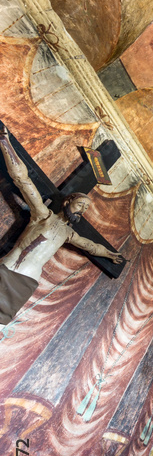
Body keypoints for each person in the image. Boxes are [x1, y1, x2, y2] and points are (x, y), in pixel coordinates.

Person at [0, 124, 123, 324]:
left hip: (27, 283)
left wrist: (109, 254)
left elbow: (91, 246)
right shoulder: (42, 215)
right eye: (81, 204)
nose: (82, 210)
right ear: (68, 201)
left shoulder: (68, 234)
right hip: (10, 270)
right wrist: (5, 143)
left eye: (85, 209)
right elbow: (23, 180)